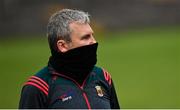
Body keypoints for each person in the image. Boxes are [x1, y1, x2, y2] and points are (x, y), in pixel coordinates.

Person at [19, 9, 120, 109]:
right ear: (62, 45)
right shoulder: (38, 88)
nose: (93, 42)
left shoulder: (102, 77)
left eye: (92, 35)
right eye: (86, 37)